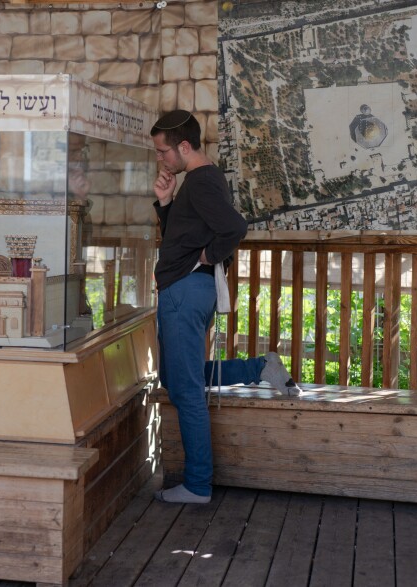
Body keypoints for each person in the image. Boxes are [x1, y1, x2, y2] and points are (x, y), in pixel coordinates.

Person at [150, 110, 302, 505]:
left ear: (184, 147)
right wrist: (165, 204)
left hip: (184, 291)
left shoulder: (200, 182)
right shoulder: (202, 181)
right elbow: (182, 238)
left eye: (164, 152)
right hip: (187, 288)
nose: (162, 160)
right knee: (178, 376)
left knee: (186, 390)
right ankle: (260, 367)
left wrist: (206, 257)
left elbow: (234, 228)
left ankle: (198, 485)